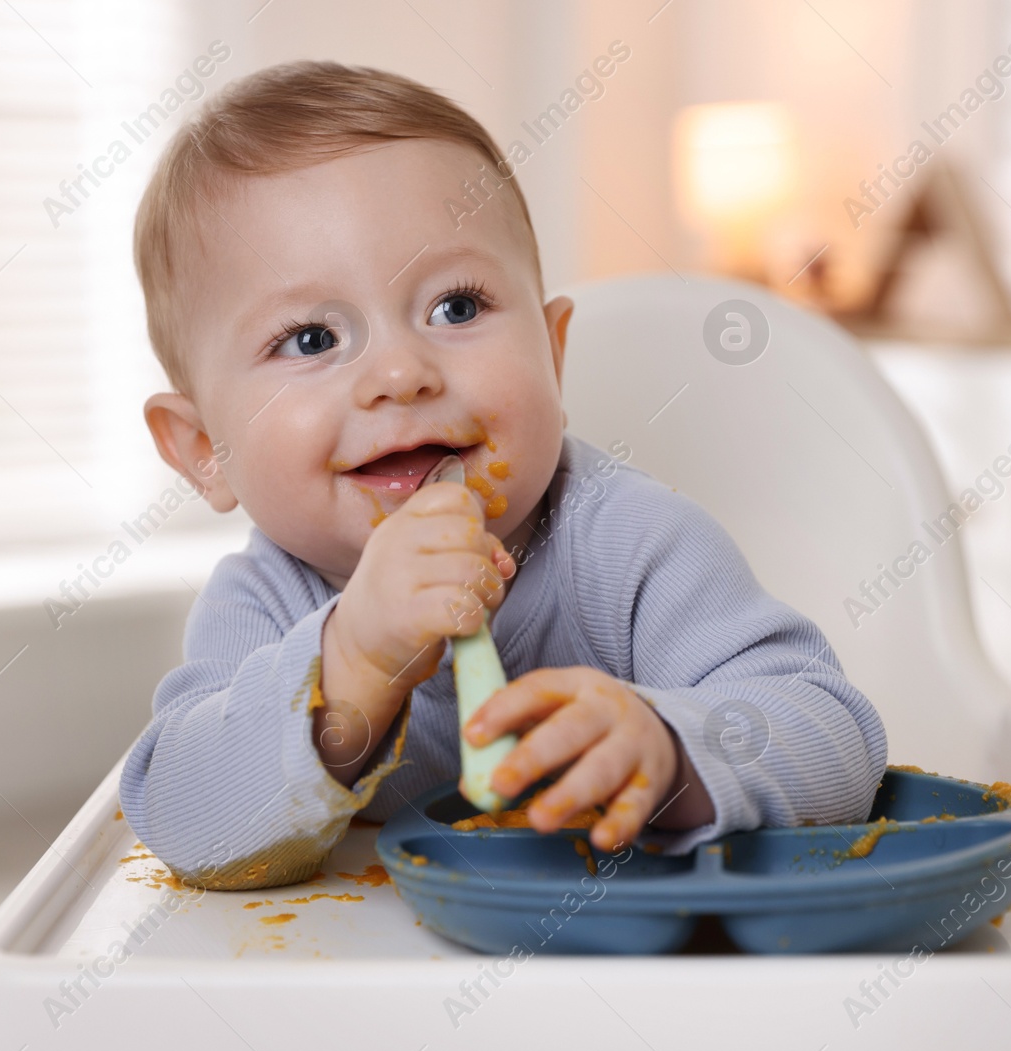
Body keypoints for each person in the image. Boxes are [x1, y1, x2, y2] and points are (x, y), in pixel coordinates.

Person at [119, 60, 886, 889]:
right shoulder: (266, 602)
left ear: (553, 356)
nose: (400, 373)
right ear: (204, 449)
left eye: (456, 307)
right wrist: (350, 668)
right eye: (310, 338)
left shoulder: (631, 544)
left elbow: (835, 735)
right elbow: (183, 817)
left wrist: (666, 752)